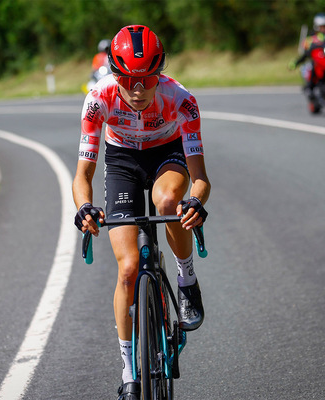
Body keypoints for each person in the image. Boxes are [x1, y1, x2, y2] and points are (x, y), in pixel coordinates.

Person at [73, 25, 211, 400]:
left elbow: (200, 179)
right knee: (129, 269)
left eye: (147, 78)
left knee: (168, 203)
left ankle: (185, 280)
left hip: (166, 154)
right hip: (122, 162)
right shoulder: (98, 100)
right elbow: (83, 175)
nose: (137, 89)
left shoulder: (181, 100)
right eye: (129, 79)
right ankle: (129, 373)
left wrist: (195, 202)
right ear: (114, 73)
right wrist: (84, 207)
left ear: (159, 73)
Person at [289, 12, 325, 104]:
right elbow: (305, 53)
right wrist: (295, 63)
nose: (324, 29)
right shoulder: (312, 38)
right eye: (322, 27)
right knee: (312, 66)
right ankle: (310, 88)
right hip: (317, 61)